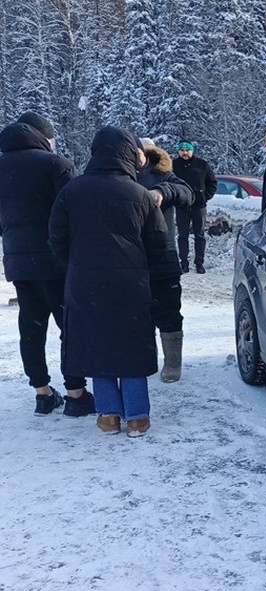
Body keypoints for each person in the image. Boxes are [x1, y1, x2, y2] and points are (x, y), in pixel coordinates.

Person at [48, 127, 168, 437]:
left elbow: (56, 239)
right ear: (129, 154)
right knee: (131, 343)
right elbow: (159, 244)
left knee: (97, 343)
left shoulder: (72, 191)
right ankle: (137, 417)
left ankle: (108, 415)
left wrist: (76, 265)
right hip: (131, 284)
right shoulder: (140, 195)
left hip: (85, 282)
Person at [0, 111, 95, 417]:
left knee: (31, 326)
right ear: (43, 137)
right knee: (70, 326)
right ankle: (76, 393)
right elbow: (76, 210)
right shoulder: (56, 164)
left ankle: (43, 394)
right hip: (58, 261)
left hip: (18, 261)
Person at [136, 137, 194, 382]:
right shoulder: (122, 176)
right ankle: (145, 361)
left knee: (169, 311)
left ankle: (172, 363)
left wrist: (163, 191)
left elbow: (187, 193)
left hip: (163, 256)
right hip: (133, 259)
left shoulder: (162, 174)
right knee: (139, 315)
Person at [172, 140, 217, 274]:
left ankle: (199, 263)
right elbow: (168, 183)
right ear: (178, 151)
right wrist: (175, 198)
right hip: (182, 206)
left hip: (199, 206)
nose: (185, 153)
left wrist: (205, 197)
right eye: (182, 150)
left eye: (187, 150)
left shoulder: (202, 165)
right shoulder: (173, 165)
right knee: (182, 236)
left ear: (192, 151)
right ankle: (183, 263)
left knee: (199, 235)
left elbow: (212, 183)